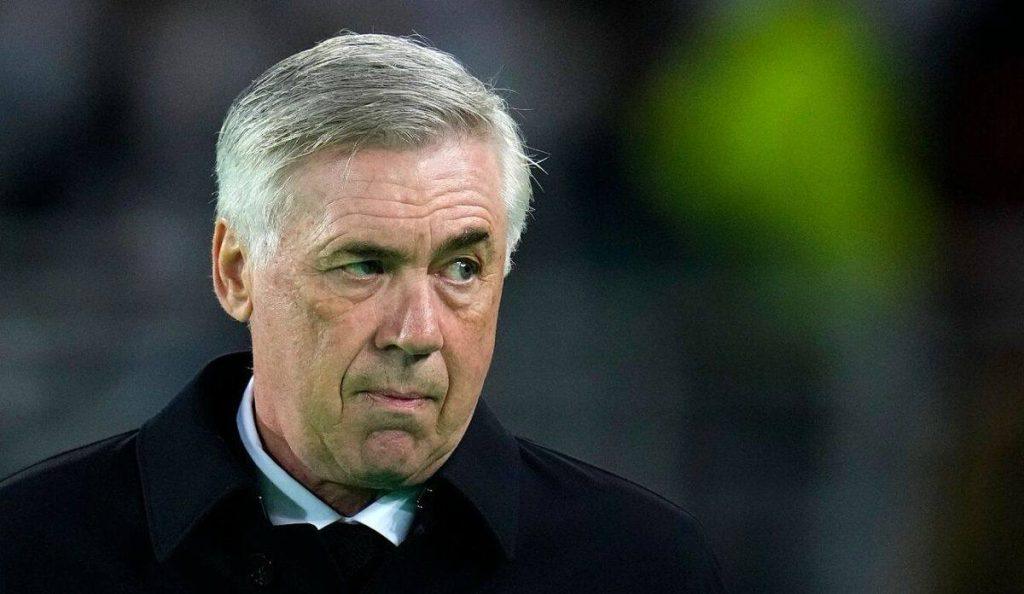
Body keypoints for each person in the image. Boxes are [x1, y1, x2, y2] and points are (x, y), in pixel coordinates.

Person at [0, 33, 724, 593]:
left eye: (462, 269)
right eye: (364, 266)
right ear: (236, 271)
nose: (417, 333)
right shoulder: (33, 553)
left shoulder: (638, 567)